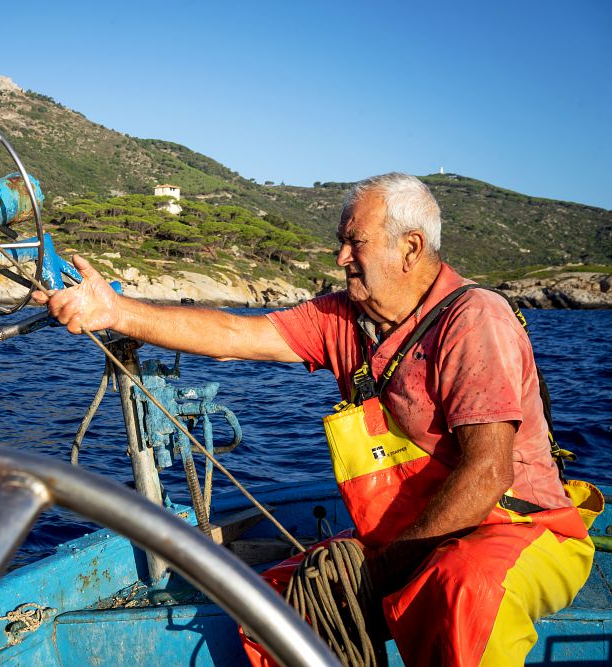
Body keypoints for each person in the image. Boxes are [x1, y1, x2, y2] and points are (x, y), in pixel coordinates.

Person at [32, 172, 601, 665]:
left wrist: (378, 571)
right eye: (340, 243)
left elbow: (487, 472)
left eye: (354, 242)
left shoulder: (476, 320)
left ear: (410, 248)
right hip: (407, 536)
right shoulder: (345, 320)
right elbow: (237, 336)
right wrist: (115, 312)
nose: (340, 257)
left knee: (465, 590)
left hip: (519, 529)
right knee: (269, 612)